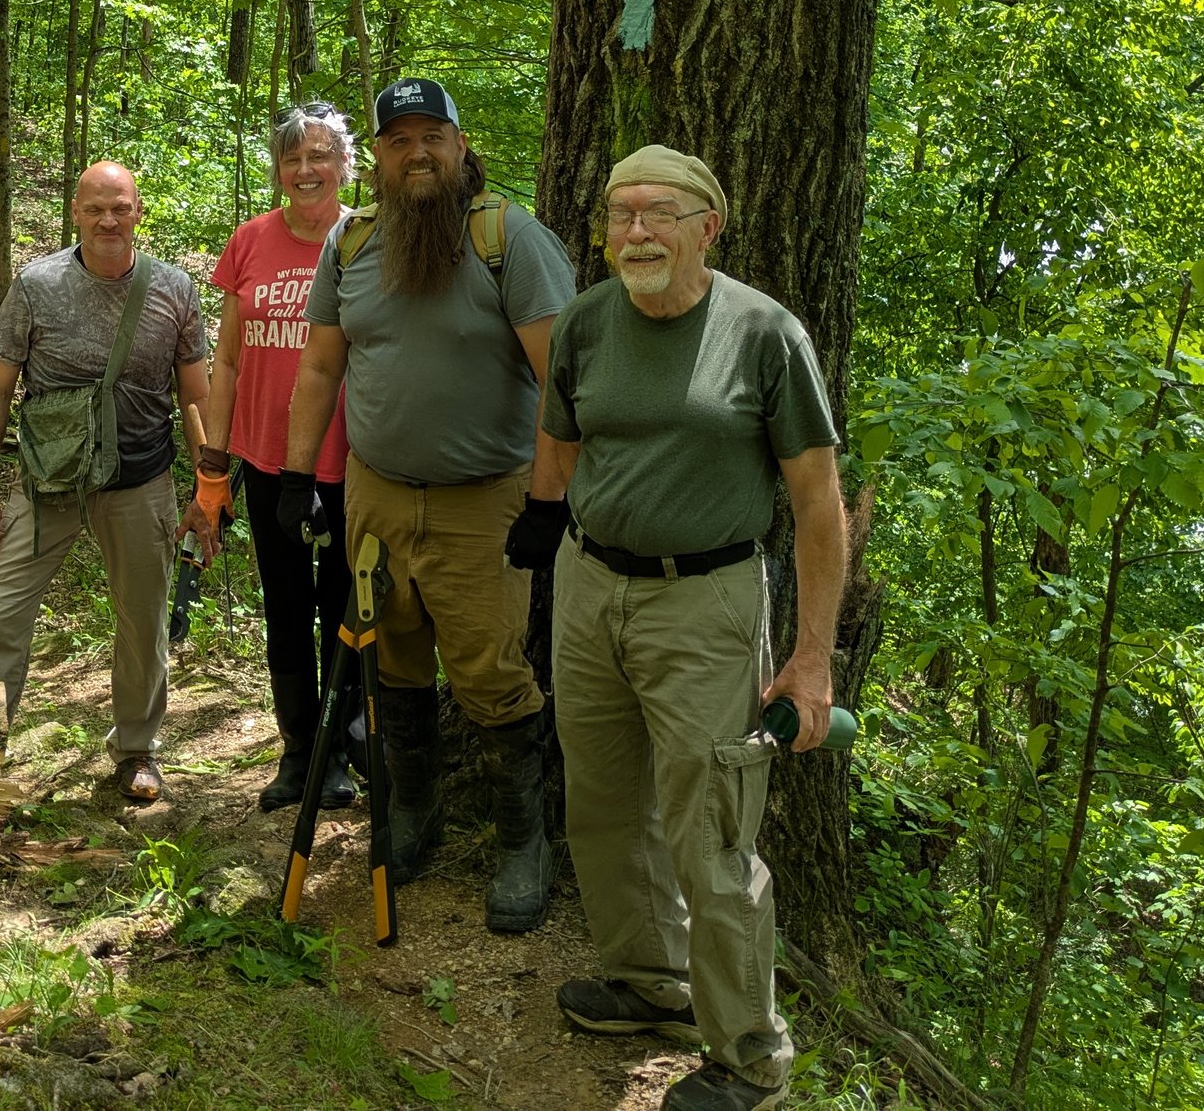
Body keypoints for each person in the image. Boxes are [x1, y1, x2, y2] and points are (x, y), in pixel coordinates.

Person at [509, 145, 849, 1111]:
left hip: (707, 601)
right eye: (620, 213)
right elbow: (561, 431)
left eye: (660, 212)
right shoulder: (585, 319)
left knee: (713, 832)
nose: (637, 230)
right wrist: (542, 521)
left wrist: (812, 660)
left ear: (710, 225)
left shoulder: (764, 334)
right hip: (589, 584)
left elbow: (818, 502)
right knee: (605, 802)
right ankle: (647, 983)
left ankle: (749, 1054)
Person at [283, 76, 576, 934]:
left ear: (459, 143)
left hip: (484, 501)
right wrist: (302, 479)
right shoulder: (353, 243)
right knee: (393, 659)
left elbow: (560, 380)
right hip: (375, 493)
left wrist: (548, 501)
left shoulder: (507, 240)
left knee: (491, 671)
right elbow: (319, 369)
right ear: (374, 156)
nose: (417, 152)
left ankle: (524, 839)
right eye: (398, 139)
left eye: (431, 136)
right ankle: (413, 813)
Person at [0, 161, 211, 805]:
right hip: (47, 482)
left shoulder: (175, 291)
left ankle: (137, 750)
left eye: (119, 208)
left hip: (141, 479)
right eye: (95, 207)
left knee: (144, 622)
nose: (107, 220)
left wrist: (210, 485)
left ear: (137, 212)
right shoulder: (38, 285)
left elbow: (195, 398)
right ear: (75, 210)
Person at [181, 102, 356, 812]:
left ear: (346, 165)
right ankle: (296, 752)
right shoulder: (251, 240)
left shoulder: (367, 236)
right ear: (278, 170)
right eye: (292, 158)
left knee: (343, 605)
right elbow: (226, 359)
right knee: (285, 609)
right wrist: (213, 467)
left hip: (349, 458)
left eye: (319, 156)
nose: (306, 170)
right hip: (265, 459)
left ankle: (341, 751)